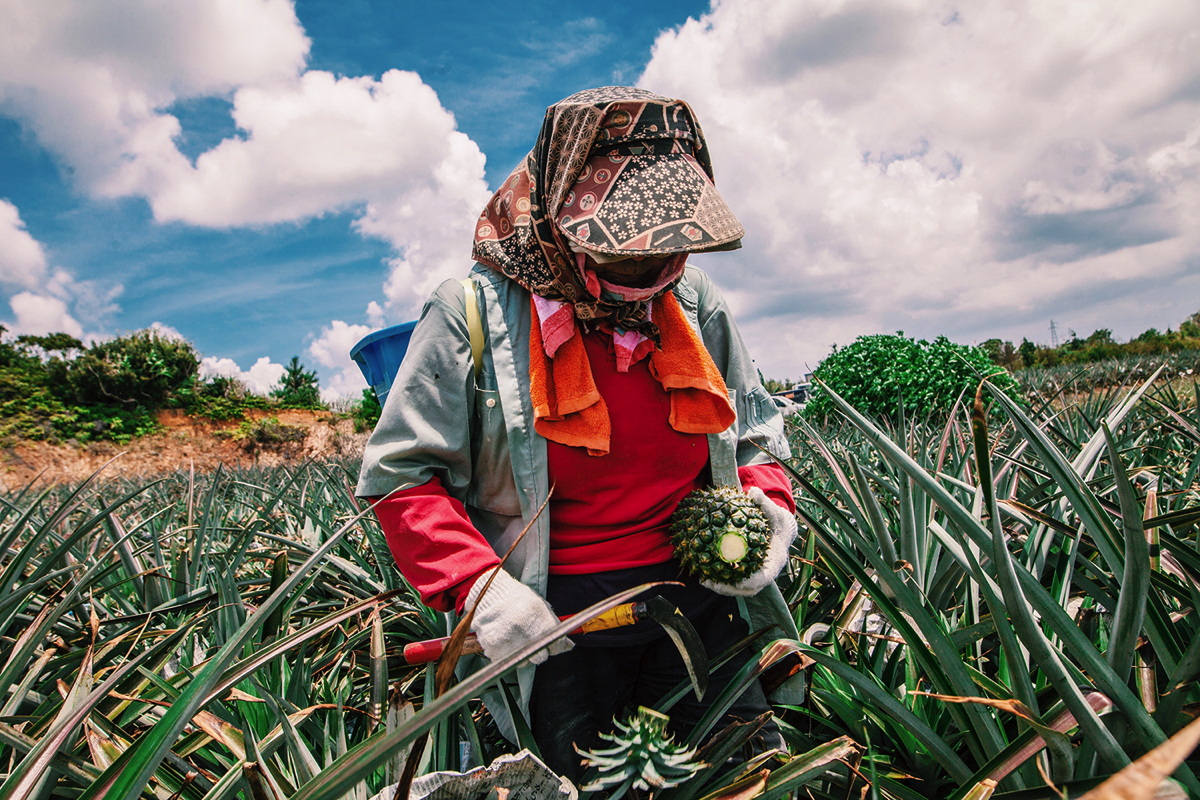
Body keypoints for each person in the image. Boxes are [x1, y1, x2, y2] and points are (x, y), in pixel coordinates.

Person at [357, 86, 802, 783]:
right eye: (621, 250)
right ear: (556, 216)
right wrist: (480, 590)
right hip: (552, 623)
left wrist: (768, 505)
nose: (649, 271)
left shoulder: (694, 304)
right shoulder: (468, 313)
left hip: (702, 596)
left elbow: (754, 430)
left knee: (736, 777)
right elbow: (400, 474)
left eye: (669, 248)